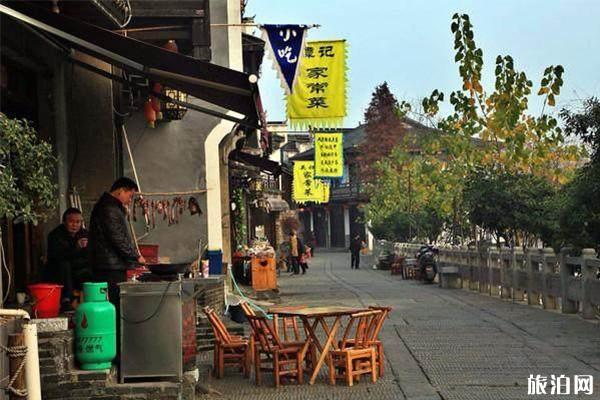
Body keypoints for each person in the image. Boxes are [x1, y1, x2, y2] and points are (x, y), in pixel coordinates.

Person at [89, 177, 145, 312]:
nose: (130, 200)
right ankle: (115, 332)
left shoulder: (111, 207)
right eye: (130, 196)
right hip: (109, 266)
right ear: (121, 191)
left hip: (110, 263)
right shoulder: (109, 209)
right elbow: (117, 238)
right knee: (113, 304)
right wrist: (136, 256)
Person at [46, 208, 92, 311]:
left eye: (78, 222)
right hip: (59, 269)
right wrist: (76, 248)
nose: (75, 225)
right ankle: (66, 299)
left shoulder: (85, 234)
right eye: (71, 222)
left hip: (80, 266)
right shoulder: (55, 235)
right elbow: (57, 256)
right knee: (65, 265)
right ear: (64, 222)